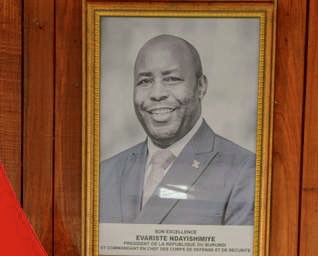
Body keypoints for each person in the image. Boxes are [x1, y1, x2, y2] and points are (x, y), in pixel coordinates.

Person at [99, 34, 256, 226]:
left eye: (172, 79)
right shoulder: (104, 174)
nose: (157, 94)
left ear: (201, 86)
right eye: (145, 81)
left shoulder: (243, 171)